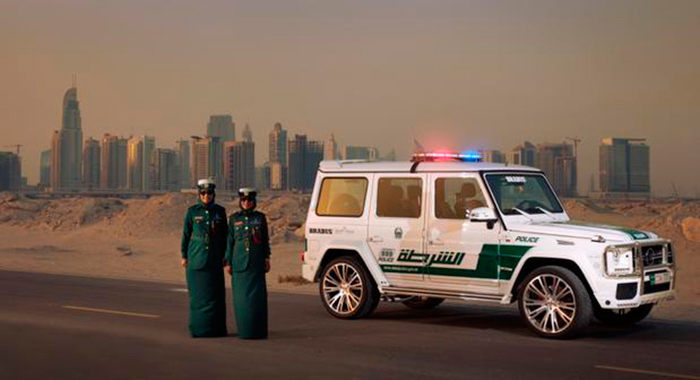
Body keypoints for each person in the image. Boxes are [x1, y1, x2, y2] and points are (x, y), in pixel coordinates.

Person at [180, 178, 228, 337]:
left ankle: (216, 329)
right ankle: (199, 329)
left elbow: (225, 236)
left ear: (214, 194)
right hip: (197, 259)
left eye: (209, 193)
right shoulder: (192, 212)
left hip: (215, 260)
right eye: (203, 193)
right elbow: (186, 236)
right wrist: (184, 256)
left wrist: (226, 257)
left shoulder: (220, 212)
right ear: (199, 194)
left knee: (215, 296)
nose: (206, 196)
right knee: (198, 297)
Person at [225, 187, 270, 339]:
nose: (246, 203)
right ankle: (244, 330)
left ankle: (258, 331)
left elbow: (265, 241)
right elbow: (230, 242)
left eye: (249, 200)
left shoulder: (260, 218)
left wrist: (266, 257)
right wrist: (228, 262)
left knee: (257, 300)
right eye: (243, 200)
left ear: (254, 201)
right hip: (239, 264)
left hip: (256, 264)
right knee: (241, 300)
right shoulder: (233, 219)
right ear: (240, 201)